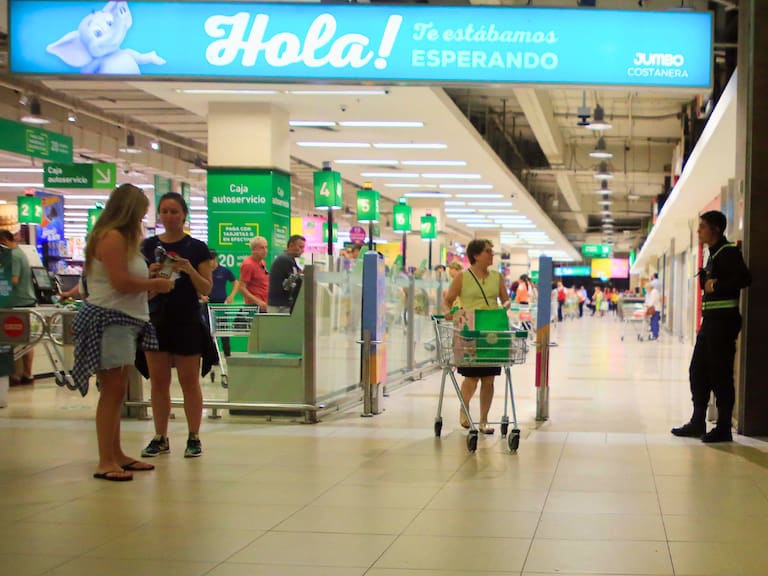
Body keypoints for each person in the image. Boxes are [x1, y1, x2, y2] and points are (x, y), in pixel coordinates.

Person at [71, 184, 174, 481]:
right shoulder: (113, 237)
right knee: (112, 391)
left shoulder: (121, 239)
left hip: (124, 321)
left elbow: (125, 281)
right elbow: (119, 282)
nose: (143, 218)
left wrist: (149, 280)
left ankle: (116, 454)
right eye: (141, 212)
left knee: (117, 391)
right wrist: (155, 284)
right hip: (109, 320)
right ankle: (105, 460)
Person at [141, 192, 213, 459]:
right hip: (156, 318)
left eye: (174, 211)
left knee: (189, 380)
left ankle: (194, 436)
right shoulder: (147, 247)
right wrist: (148, 274)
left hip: (187, 319)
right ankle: (160, 436)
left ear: (184, 215)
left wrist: (189, 270)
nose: (169, 216)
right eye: (164, 211)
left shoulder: (197, 248)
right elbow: (138, 286)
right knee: (158, 381)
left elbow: (206, 288)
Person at [672, 211, 751, 443]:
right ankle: (698, 421)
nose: (699, 231)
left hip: (723, 323)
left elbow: (745, 278)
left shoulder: (727, 253)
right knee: (698, 370)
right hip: (711, 322)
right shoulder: (713, 254)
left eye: (703, 226)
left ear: (716, 229)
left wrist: (716, 286)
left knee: (720, 374)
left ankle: (724, 427)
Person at [443, 239, 510, 434]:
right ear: (476, 255)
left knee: (489, 377)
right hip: (469, 330)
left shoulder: (497, 277)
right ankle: (464, 411)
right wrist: (451, 312)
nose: (492, 254)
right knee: (471, 378)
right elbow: (447, 301)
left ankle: (483, 420)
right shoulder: (463, 277)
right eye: (488, 251)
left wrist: (501, 309)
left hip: (491, 332)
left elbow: (506, 301)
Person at [0, 229, 37, 385]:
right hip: (26, 300)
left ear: (4, 240)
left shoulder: (13, 256)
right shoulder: (20, 252)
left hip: (18, 302)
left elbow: (13, 280)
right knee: (25, 340)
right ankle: (26, 375)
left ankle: (18, 375)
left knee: (14, 339)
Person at [204, 250, 239, 357]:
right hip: (208, 305)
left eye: (210, 260)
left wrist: (231, 296)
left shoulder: (223, 271)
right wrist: (202, 296)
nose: (209, 262)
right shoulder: (204, 272)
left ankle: (227, 355)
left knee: (223, 330)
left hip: (221, 305)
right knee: (209, 331)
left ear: (215, 259)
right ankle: (213, 356)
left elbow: (236, 283)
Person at [268, 235, 305, 313]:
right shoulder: (284, 260)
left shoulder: (290, 260)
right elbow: (289, 283)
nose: (302, 250)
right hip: (279, 306)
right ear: (291, 245)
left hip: (282, 304)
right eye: (300, 247)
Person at [239, 236, 268, 310]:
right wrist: (258, 302)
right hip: (254, 307)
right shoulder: (248, 264)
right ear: (253, 249)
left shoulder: (262, 262)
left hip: (264, 305)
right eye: (262, 248)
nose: (265, 250)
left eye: (266, 247)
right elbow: (242, 288)